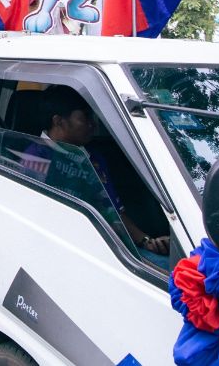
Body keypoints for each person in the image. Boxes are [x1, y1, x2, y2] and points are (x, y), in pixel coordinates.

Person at [33, 86, 170, 267]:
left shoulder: (94, 159)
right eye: (85, 118)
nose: (93, 125)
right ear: (59, 121)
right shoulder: (36, 156)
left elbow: (113, 210)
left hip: (110, 245)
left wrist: (147, 241)